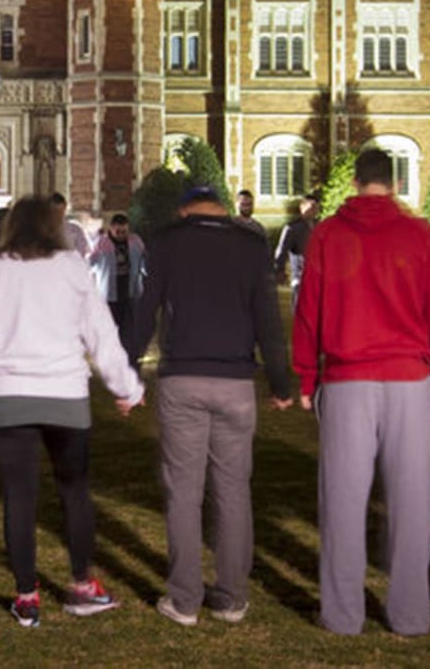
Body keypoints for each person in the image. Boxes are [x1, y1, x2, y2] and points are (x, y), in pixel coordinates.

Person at [0, 195, 143, 626]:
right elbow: (100, 332)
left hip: (9, 394)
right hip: (64, 392)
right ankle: (82, 586)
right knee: (74, 490)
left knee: (20, 497)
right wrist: (126, 386)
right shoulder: (70, 267)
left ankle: (27, 595)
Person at [292, 148, 430, 637]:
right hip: (408, 379)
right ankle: (409, 614)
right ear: (395, 182)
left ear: (356, 182)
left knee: (341, 500)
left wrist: (305, 374)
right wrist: (427, 359)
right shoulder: (421, 235)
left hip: (347, 378)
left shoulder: (329, 234)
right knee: (413, 502)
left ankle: (342, 614)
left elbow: (309, 308)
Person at [127, 186, 293, 627]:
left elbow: (146, 310)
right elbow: (267, 321)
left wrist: (127, 371)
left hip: (183, 375)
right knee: (233, 490)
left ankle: (184, 599)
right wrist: (279, 381)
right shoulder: (251, 244)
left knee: (184, 491)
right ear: (222, 208)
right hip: (236, 380)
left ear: (184, 209)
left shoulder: (166, 240)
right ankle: (232, 596)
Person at [88, 213, 144, 335]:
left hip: (130, 289)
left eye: (124, 231)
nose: (121, 235)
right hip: (109, 292)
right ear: (111, 228)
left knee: (129, 325)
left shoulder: (135, 241)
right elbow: (90, 263)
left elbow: (144, 261)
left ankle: (128, 349)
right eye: (118, 231)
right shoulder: (102, 243)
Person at [273, 194, 318, 317]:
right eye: (311, 206)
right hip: (300, 278)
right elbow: (281, 251)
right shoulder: (292, 228)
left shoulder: (320, 226)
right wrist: (279, 270)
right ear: (302, 208)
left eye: (316, 207)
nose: (314, 210)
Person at [52, 193, 91, 257]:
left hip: (70, 264)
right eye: (54, 210)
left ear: (65, 209)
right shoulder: (42, 231)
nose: (58, 214)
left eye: (61, 210)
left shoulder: (75, 230)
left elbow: (82, 253)